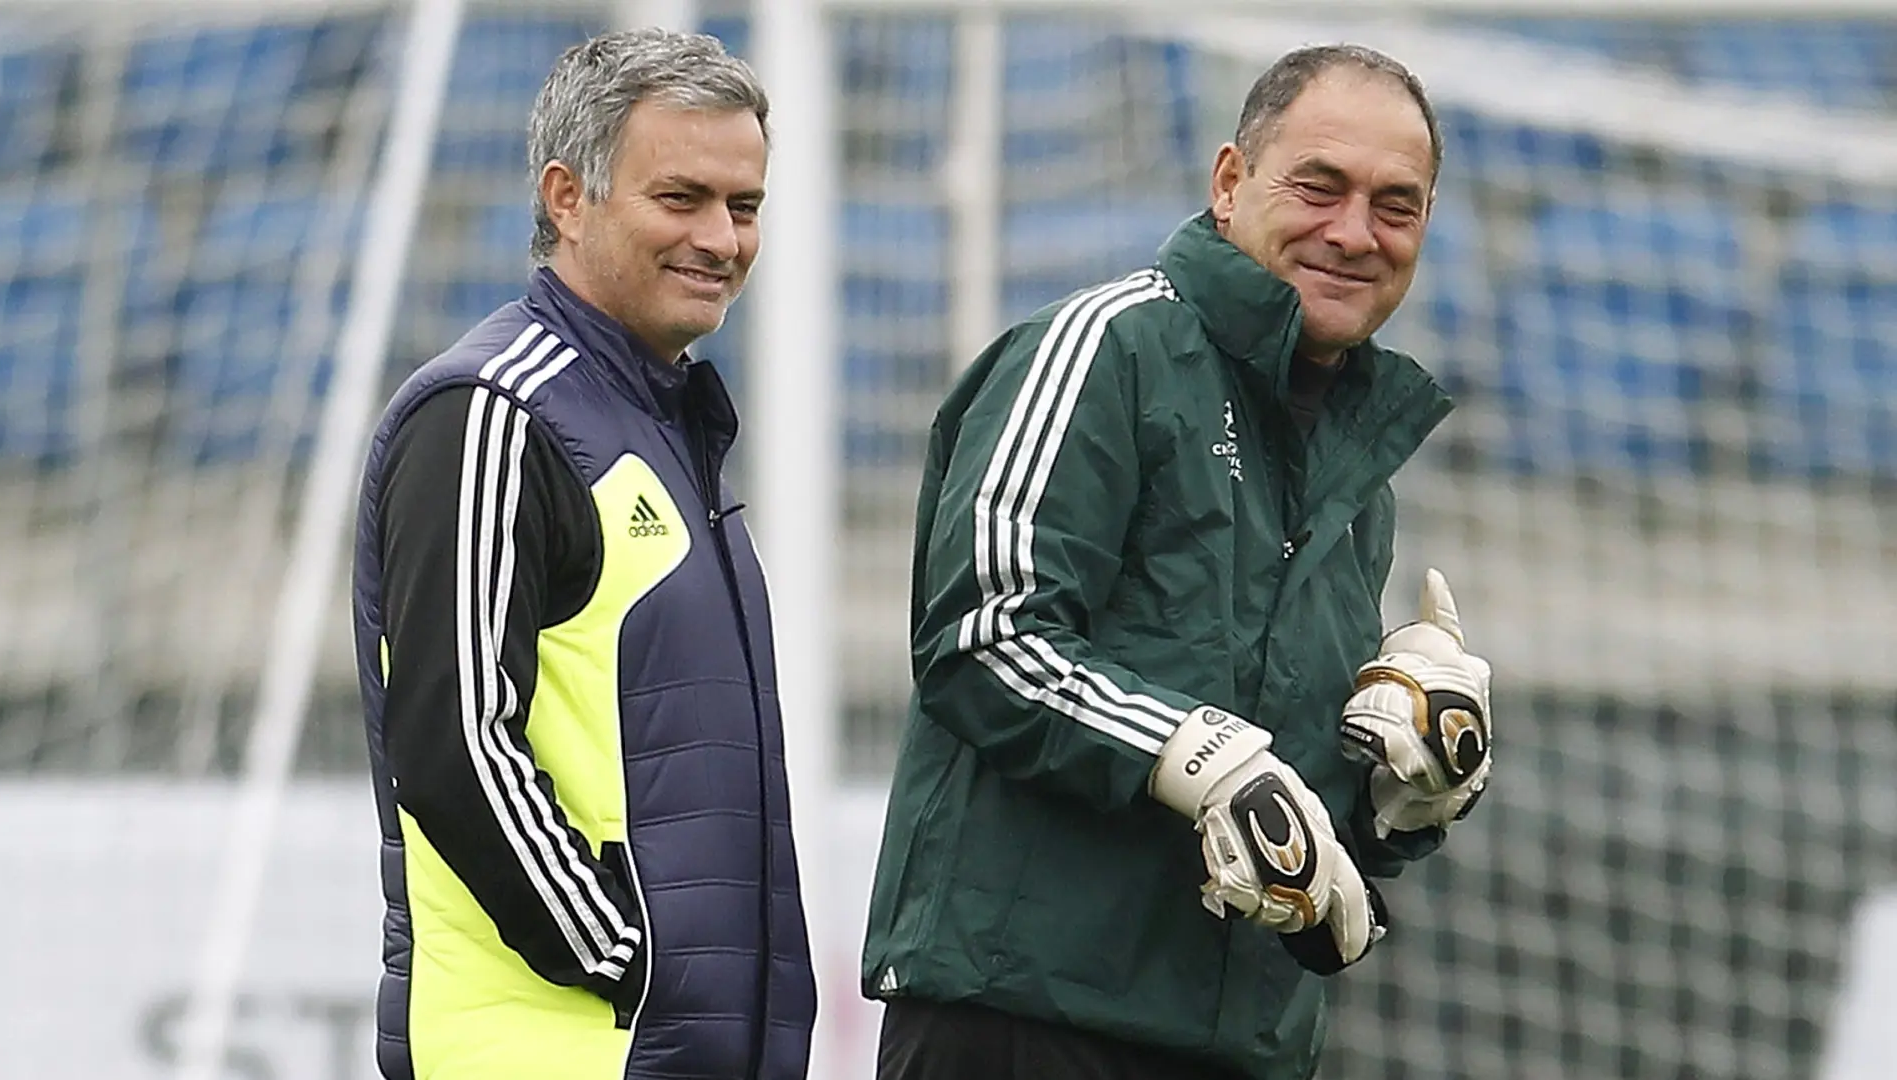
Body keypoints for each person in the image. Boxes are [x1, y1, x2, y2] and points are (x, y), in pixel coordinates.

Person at [862, 43, 1494, 1080]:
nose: (1354, 232)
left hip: (1238, 1046)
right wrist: (1203, 759)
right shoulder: (1105, 348)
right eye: (1319, 186)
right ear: (1230, 182)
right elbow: (985, 636)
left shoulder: (1355, 470)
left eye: (1397, 204)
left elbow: (1283, 820)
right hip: (1024, 1022)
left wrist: (1399, 799)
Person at [349, 29, 814, 1080]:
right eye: (681, 198)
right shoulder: (493, 413)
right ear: (567, 197)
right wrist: (629, 957)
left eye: (744, 208)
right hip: (556, 1050)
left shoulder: (668, 424)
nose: (723, 239)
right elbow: (455, 741)